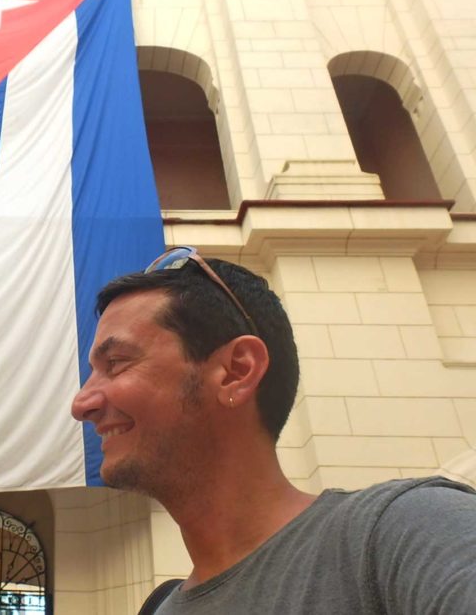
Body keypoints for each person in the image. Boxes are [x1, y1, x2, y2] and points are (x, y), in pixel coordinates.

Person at [70, 246, 476, 613]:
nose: (81, 404)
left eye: (117, 363)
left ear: (236, 371)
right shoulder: (158, 608)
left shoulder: (406, 532)